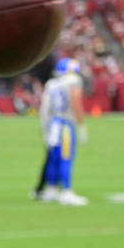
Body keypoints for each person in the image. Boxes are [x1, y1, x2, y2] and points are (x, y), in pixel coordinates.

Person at [35, 58, 88, 206]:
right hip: (66, 124)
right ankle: (67, 191)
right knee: (67, 158)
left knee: (54, 158)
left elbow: (45, 108)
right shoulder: (73, 81)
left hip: (54, 124)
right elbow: (75, 99)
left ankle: (51, 190)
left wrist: (45, 127)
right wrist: (81, 124)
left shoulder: (52, 84)